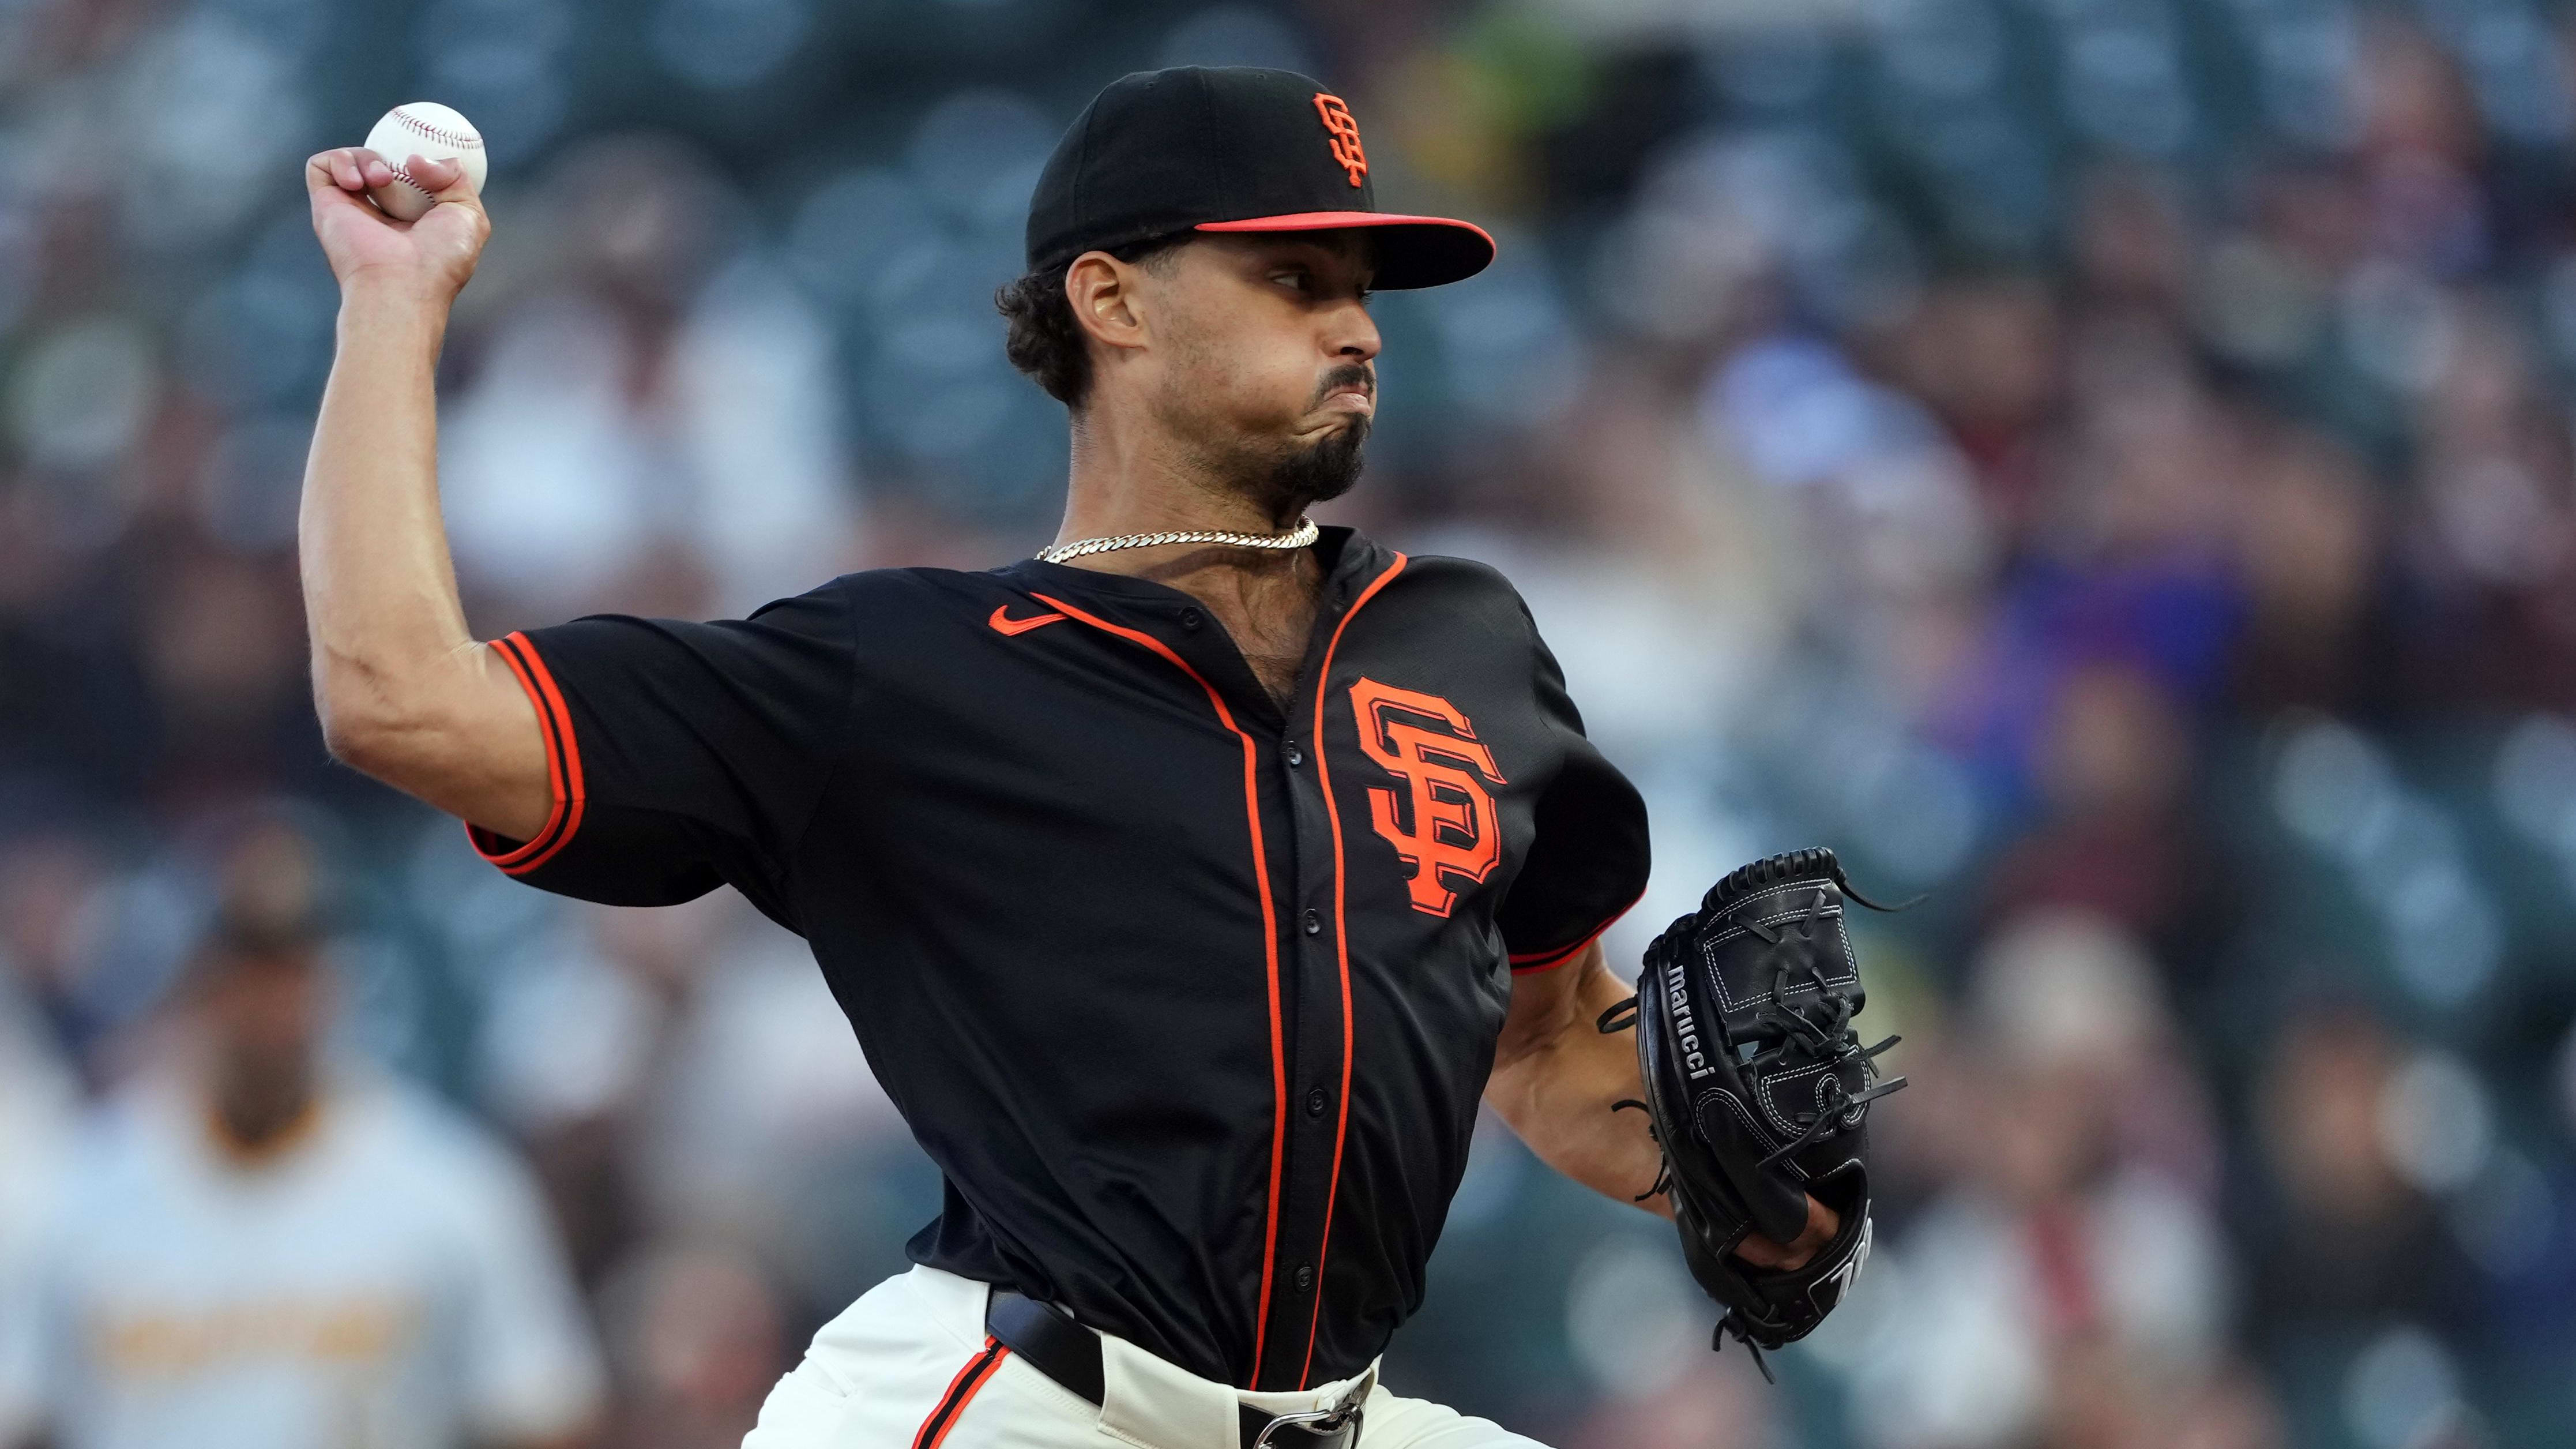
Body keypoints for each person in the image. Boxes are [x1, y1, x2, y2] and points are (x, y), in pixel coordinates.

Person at [297, 66, 1836, 1448]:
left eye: (1360, 285)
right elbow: (401, 700)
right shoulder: (903, 674)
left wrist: (1746, 1188)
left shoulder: (1465, 646)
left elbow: (1544, 1038)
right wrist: (390, 306)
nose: (1356, 325)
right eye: (1294, 279)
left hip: (1343, 1418)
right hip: (1012, 1409)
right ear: (1111, 300)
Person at [0, 881, 605, 1449]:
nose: (267, 1010)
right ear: (198, 992)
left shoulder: (448, 1180)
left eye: (289, 978)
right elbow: (22, 1413)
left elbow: (542, 1409)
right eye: (244, 979)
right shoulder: (81, 1184)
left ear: (330, 989)